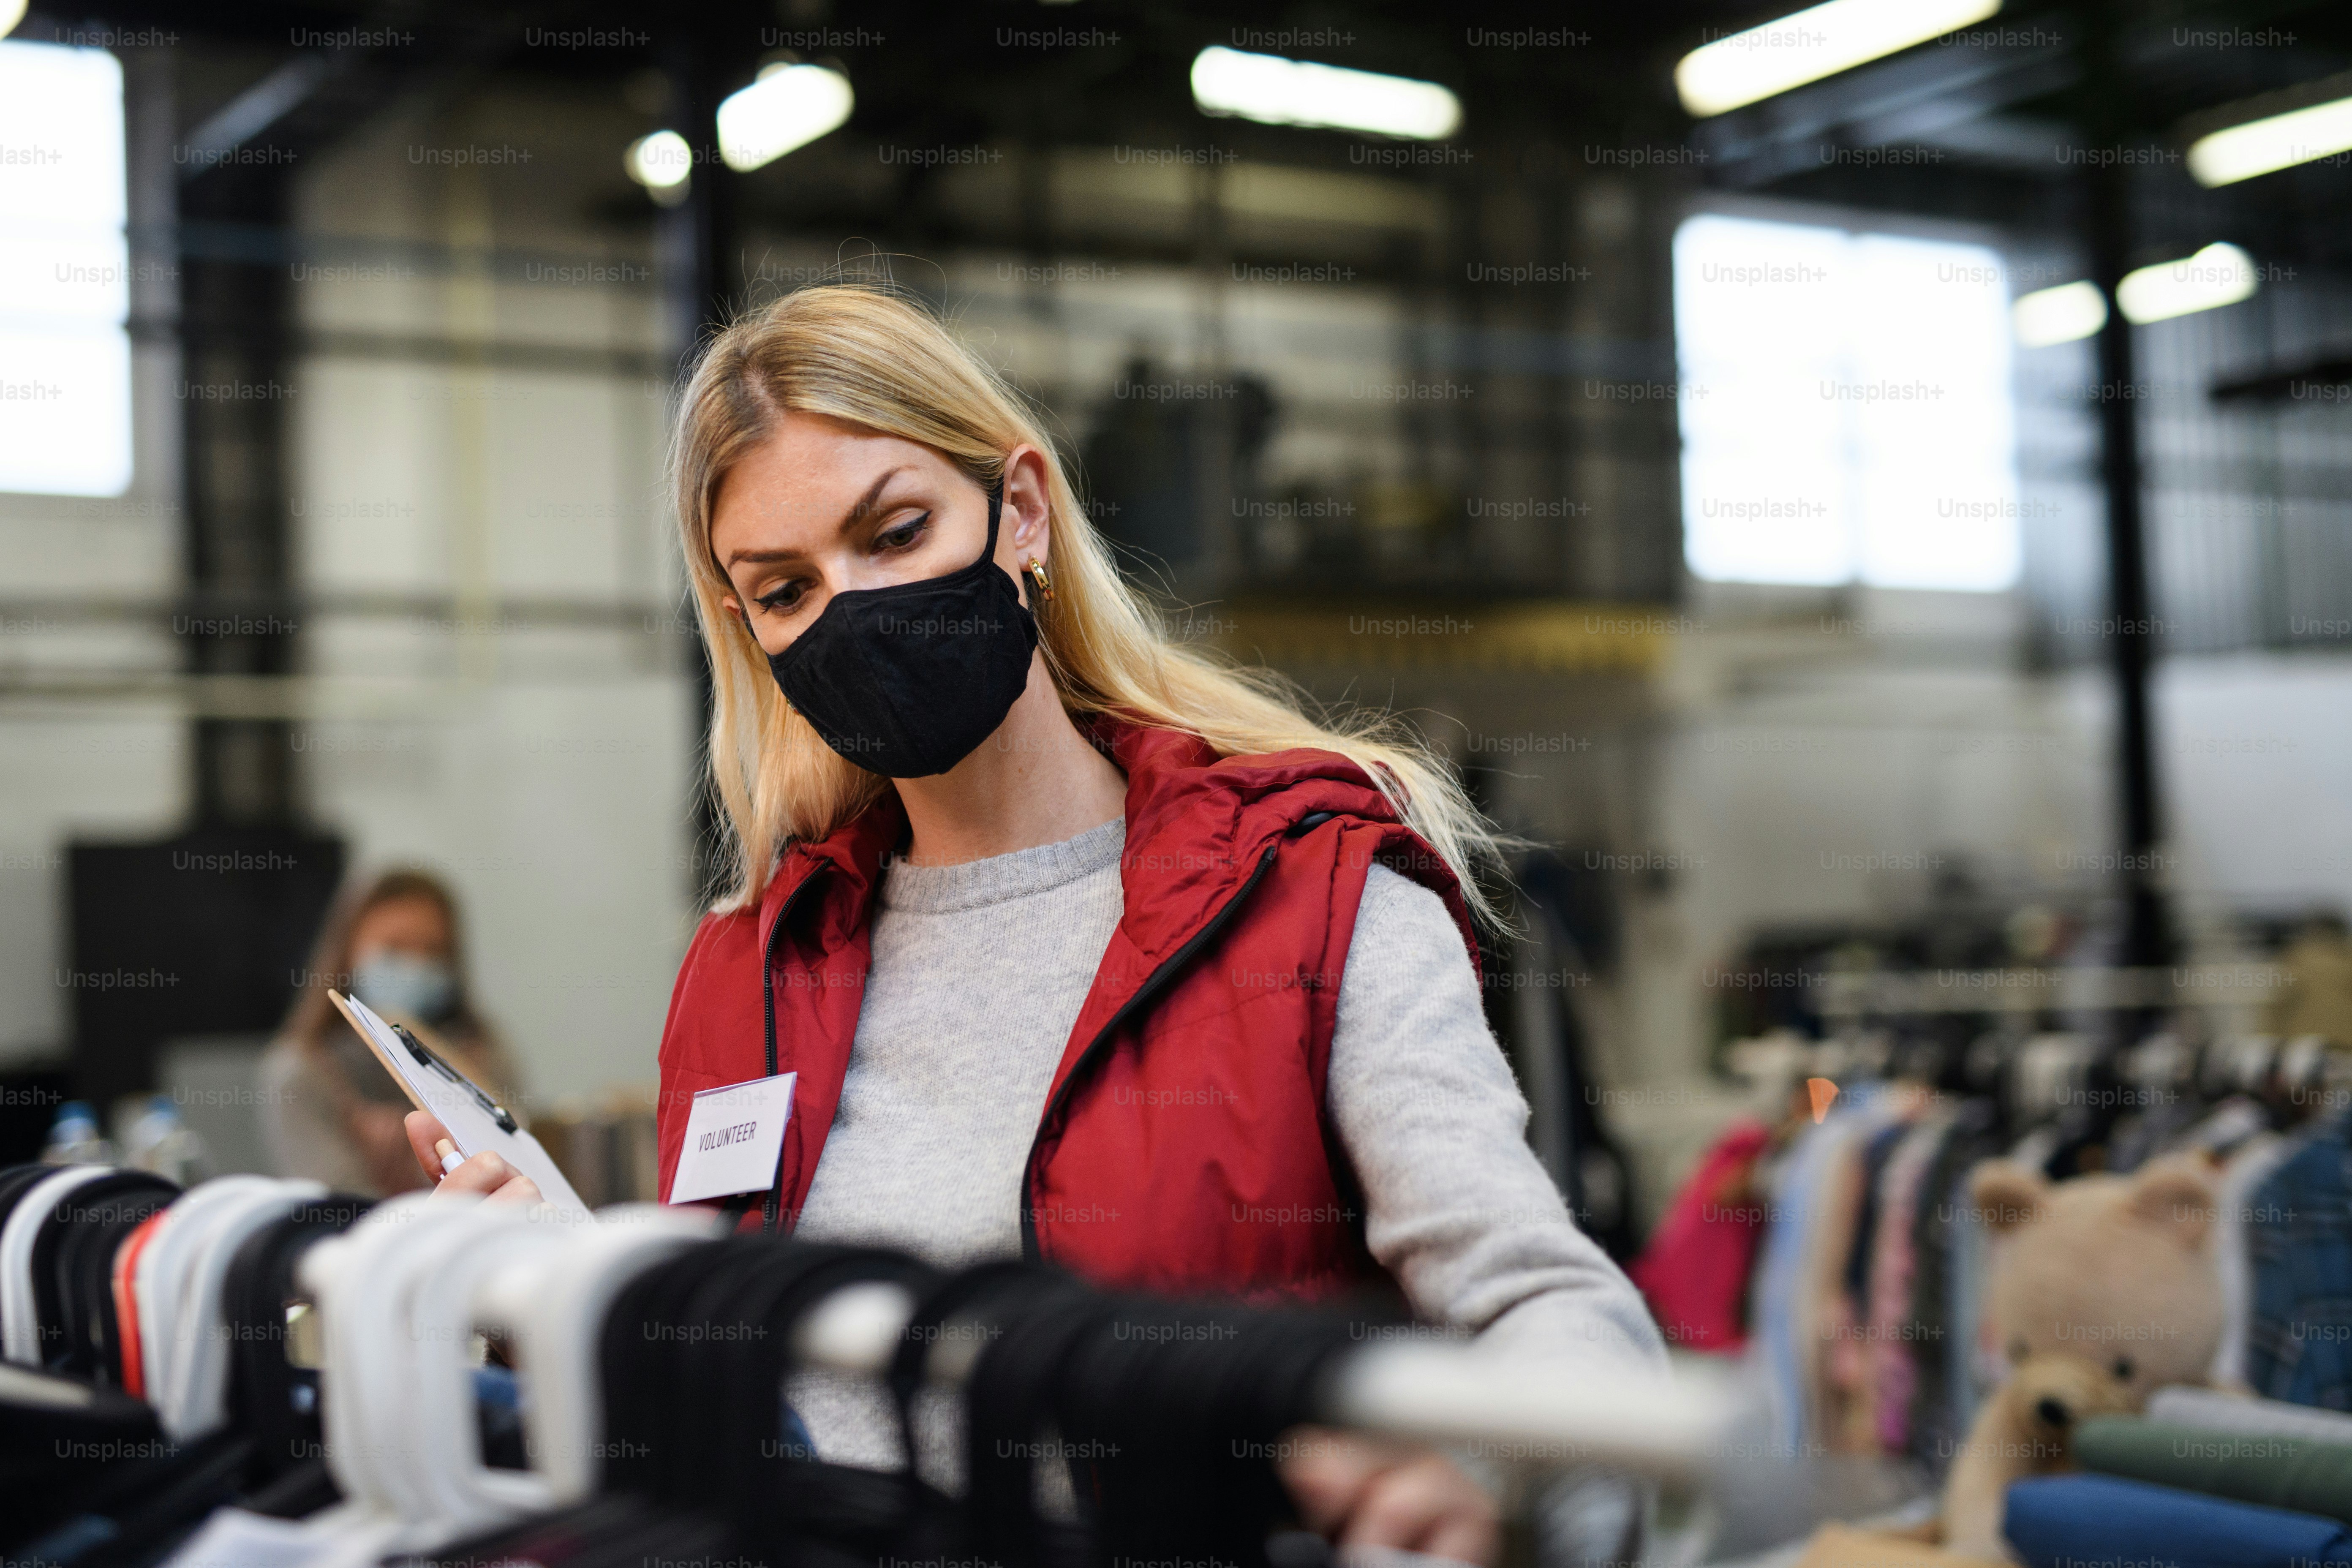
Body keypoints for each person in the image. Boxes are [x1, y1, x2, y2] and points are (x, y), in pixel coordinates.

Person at [407, 283, 1664, 1563]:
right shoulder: (751, 969)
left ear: (1018, 508)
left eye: (894, 532)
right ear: (747, 626)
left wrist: (1491, 1497)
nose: (850, 607)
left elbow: (1542, 1306)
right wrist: (558, 1292)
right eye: (784, 589)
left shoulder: (1306, 894)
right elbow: (736, 1385)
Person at [267, 868, 520, 1195]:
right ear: (347, 951)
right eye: (394, 948)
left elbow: (514, 1160)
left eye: (433, 950)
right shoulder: (303, 1071)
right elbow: (338, 1207)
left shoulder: (482, 1056)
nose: (415, 966)